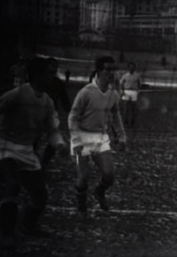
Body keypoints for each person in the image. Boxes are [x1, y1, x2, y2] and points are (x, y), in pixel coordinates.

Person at [0, 57, 67, 247]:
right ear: (37, 75)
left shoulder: (47, 101)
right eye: (48, 73)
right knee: (12, 184)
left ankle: (27, 226)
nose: (52, 77)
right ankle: (7, 233)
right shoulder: (18, 94)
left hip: (26, 149)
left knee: (40, 195)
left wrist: (60, 144)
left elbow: (52, 129)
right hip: (5, 146)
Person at [69, 56, 127, 219]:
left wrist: (122, 136)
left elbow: (116, 115)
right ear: (99, 71)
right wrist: (76, 140)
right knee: (83, 177)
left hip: (101, 138)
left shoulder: (113, 93)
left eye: (113, 69)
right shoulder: (86, 92)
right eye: (107, 69)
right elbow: (72, 117)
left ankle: (99, 192)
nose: (111, 73)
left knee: (109, 175)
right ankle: (81, 207)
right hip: (81, 137)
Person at [40, 58, 72, 167]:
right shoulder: (38, 80)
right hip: (36, 111)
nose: (53, 69)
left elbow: (64, 99)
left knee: (54, 139)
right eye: (51, 66)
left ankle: (45, 161)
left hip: (52, 113)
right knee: (32, 137)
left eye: (55, 66)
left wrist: (70, 110)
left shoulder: (59, 83)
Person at [119, 62, 142, 128]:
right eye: (130, 66)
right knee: (125, 107)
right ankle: (125, 120)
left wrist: (138, 90)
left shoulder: (137, 75)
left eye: (133, 66)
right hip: (126, 91)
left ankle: (132, 121)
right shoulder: (125, 75)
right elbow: (121, 83)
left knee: (133, 108)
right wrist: (122, 91)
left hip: (134, 92)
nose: (131, 68)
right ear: (128, 67)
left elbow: (140, 83)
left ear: (134, 68)